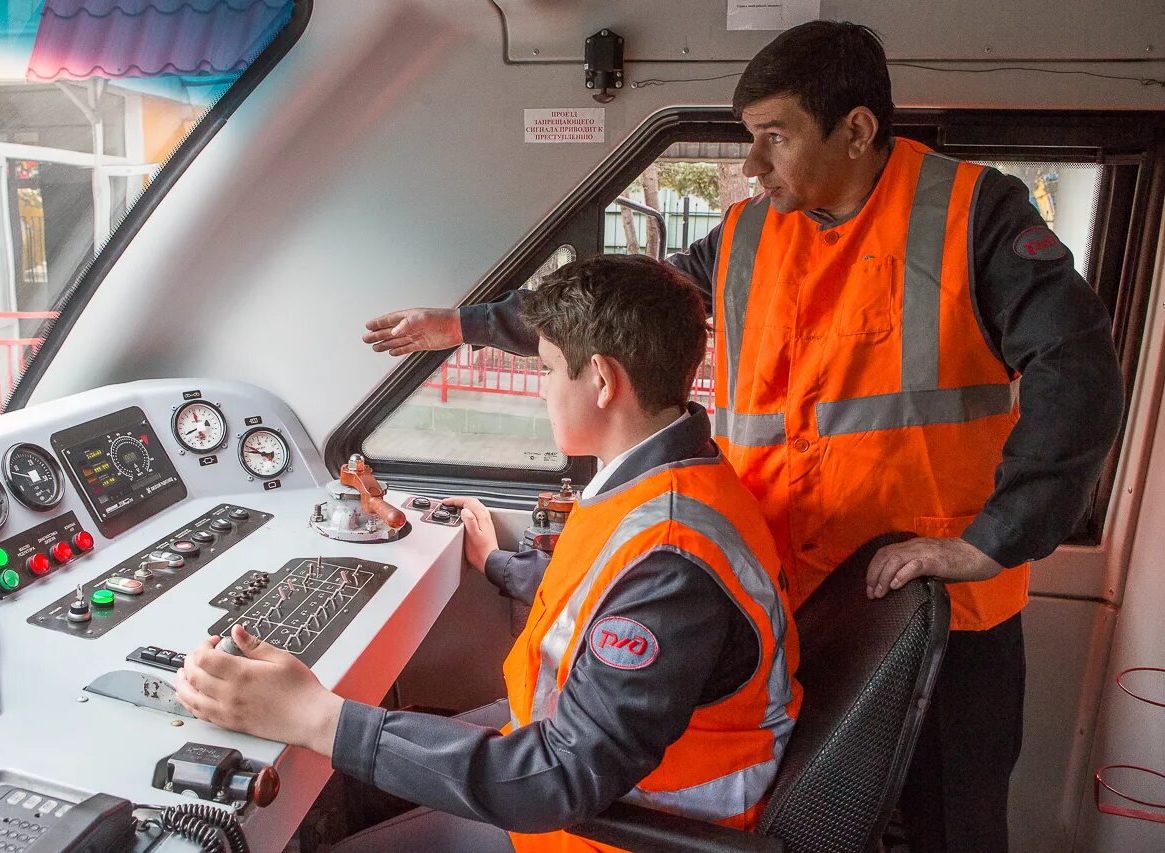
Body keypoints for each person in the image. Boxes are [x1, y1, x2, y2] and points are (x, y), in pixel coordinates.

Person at [361, 20, 1124, 853]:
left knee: (953, 830)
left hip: (942, 614)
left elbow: (1078, 368)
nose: (753, 165)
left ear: (858, 130)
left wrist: (994, 540)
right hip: (795, 600)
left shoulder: (969, 214)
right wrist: (464, 325)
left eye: (774, 137)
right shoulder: (748, 236)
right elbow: (617, 311)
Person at [178, 254, 802, 851]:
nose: (541, 390)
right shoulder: (665, 478)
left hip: (620, 828)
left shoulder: (671, 554)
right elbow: (599, 602)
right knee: (358, 789)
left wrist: (320, 719)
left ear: (604, 381)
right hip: (584, 768)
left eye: (548, 371)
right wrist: (497, 563)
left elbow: (560, 777)